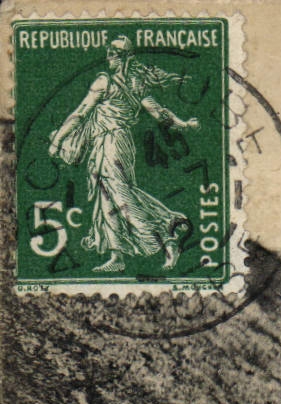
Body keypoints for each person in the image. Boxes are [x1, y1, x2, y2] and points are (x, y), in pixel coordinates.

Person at [49, 36, 198, 273]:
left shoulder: (104, 82)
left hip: (112, 143)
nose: (108, 57)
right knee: (107, 196)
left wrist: (57, 141)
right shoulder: (137, 84)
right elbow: (160, 114)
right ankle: (117, 255)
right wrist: (183, 124)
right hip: (117, 143)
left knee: (120, 196)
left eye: (113, 54)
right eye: (109, 53)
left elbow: (80, 113)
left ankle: (167, 236)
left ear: (124, 57)